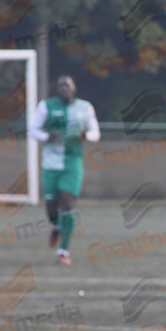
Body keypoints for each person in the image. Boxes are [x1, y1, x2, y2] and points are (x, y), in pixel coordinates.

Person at [28, 75, 100, 265]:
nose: (64, 89)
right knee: (51, 206)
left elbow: (95, 133)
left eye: (67, 86)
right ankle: (55, 225)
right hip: (50, 164)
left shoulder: (85, 107)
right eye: (60, 86)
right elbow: (32, 129)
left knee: (67, 204)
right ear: (56, 90)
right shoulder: (46, 106)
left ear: (74, 88)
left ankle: (63, 252)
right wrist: (46, 136)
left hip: (72, 164)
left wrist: (86, 136)